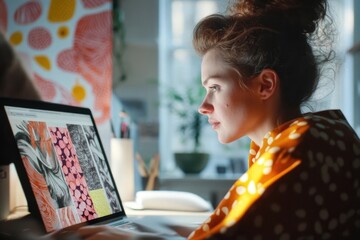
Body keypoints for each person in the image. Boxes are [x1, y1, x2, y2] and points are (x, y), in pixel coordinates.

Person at [78, 0, 360, 239]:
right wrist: (152, 229)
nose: (203, 106)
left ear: (265, 85)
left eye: (214, 87)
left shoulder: (298, 148)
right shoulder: (313, 136)